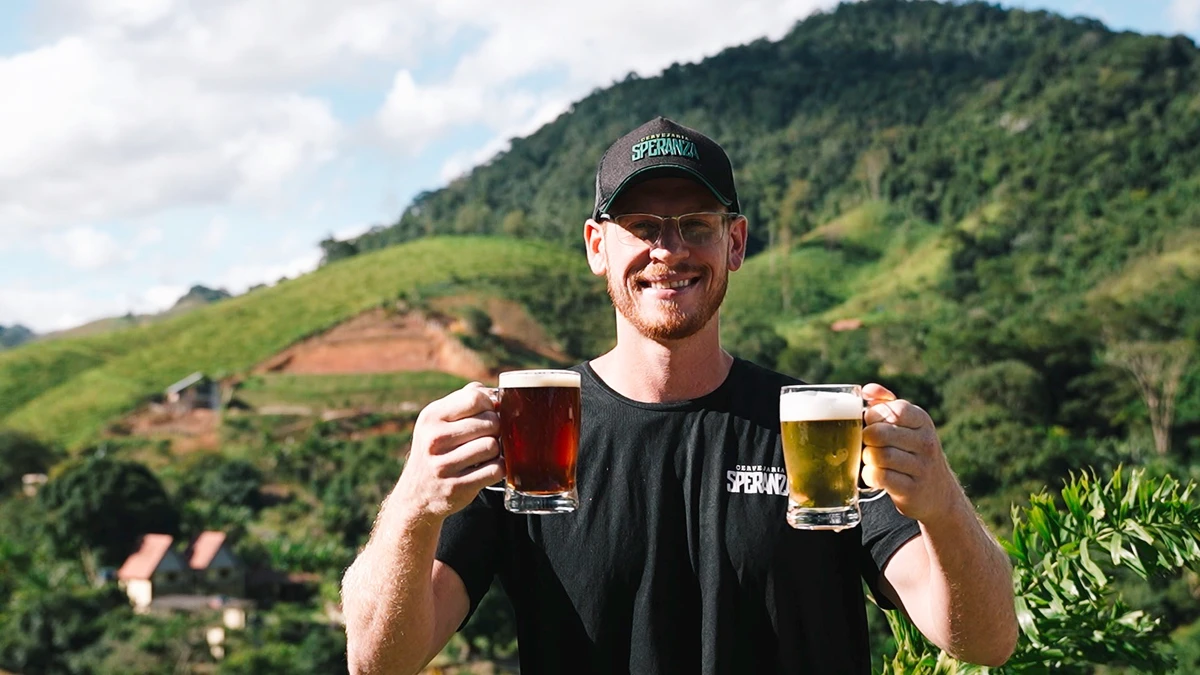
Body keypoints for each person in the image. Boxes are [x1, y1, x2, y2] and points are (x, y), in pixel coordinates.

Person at [341, 117, 1018, 674]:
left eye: (695, 224)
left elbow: (985, 640)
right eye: (642, 226)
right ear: (596, 247)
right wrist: (411, 508)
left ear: (736, 243)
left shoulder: (820, 429)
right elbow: (377, 658)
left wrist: (942, 503)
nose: (669, 249)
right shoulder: (532, 436)